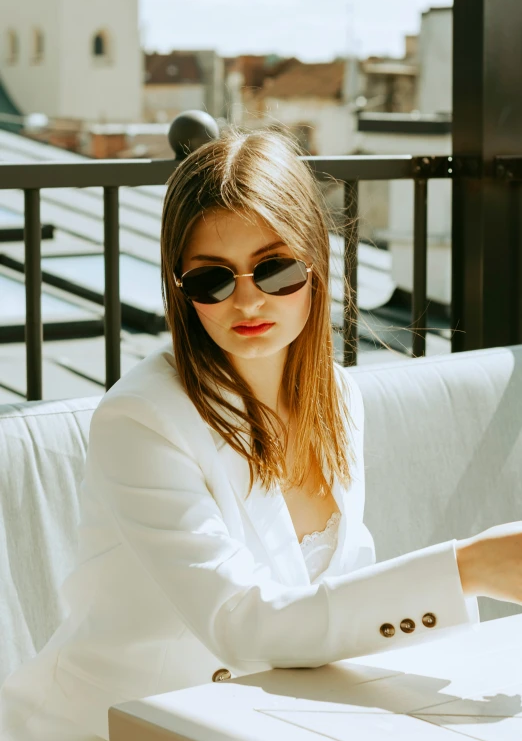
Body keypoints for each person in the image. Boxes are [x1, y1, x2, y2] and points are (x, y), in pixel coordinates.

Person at [0, 128, 521, 741]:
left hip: (264, 718)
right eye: (210, 280)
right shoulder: (141, 420)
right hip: (116, 726)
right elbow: (238, 622)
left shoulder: (337, 396)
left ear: (315, 261)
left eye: (274, 269)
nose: (247, 299)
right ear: (179, 288)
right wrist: (468, 568)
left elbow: (335, 595)